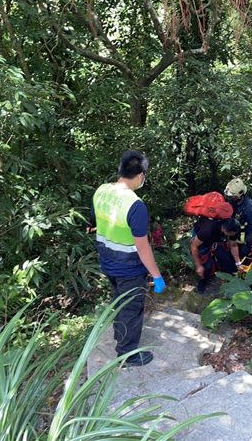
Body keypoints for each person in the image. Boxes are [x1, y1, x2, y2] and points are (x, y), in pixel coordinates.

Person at [91, 150, 165, 367]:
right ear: (141, 175)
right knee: (131, 309)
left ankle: (120, 336)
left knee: (119, 302)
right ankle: (128, 355)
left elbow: (96, 221)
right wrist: (156, 275)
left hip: (107, 261)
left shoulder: (102, 191)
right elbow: (142, 247)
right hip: (129, 268)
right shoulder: (135, 205)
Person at [190, 217, 242, 294]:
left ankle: (228, 273)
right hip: (200, 236)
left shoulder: (233, 228)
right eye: (230, 235)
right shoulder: (207, 230)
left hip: (216, 237)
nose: (232, 236)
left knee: (223, 254)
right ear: (225, 230)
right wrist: (198, 265)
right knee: (205, 262)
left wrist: (238, 263)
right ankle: (203, 280)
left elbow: (233, 245)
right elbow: (194, 246)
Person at [224, 178, 252, 248]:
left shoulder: (249, 208)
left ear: (239, 195)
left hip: (242, 236)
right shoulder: (234, 202)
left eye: (232, 196)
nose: (230, 198)